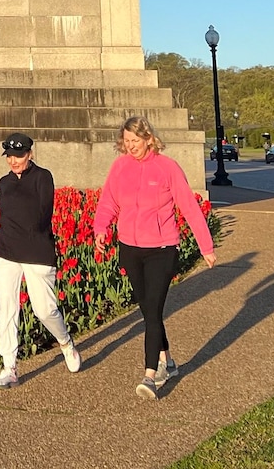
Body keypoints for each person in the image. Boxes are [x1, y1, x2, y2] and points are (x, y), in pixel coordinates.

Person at [92, 115, 217, 399]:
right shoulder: (120, 167)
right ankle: (169, 362)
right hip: (130, 248)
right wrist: (101, 229)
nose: (130, 146)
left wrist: (205, 247)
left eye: (135, 141)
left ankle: (150, 375)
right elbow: (108, 201)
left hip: (162, 249)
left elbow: (189, 207)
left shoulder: (167, 168)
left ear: (149, 138)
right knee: (149, 311)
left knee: (152, 310)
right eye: (126, 142)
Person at [0, 132, 82, 388]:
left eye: (18, 156)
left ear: (29, 154)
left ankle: (65, 342)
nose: (13, 161)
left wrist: (29, 238)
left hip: (36, 250)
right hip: (6, 250)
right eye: (9, 156)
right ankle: (9, 366)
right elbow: (4, 215)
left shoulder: (43, 177)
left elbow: (43, 216)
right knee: (6, 307)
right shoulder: (4, 183)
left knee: (44, 310)